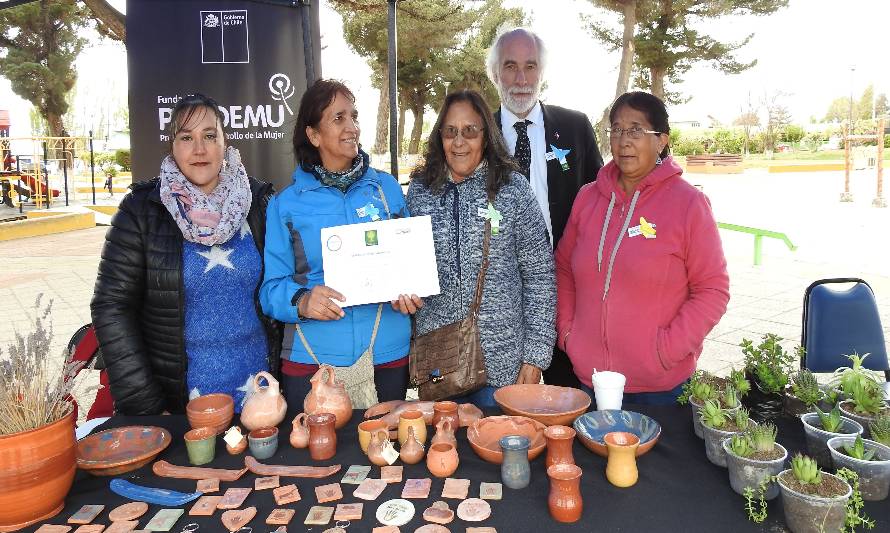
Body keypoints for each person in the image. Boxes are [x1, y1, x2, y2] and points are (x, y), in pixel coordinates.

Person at [91, 93, 281, 415]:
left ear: (225, 142)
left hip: (261, 399)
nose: (199, 149)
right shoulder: (141, 211)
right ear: (172, 146)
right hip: (179, 407)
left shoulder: (258, 203)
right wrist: (147, 405)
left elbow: (283, 288)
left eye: (209, 136)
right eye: (186, 138)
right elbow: (111, 307)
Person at [555, 91, 730, 405]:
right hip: (591, 381)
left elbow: (713, 290)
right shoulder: (588, 198)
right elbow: (564, 268)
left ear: (661, 140)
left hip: (659, 388)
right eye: (617, 129)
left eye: (636, 130)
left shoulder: (688, 204)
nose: (624, 140)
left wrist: (667, 349)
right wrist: (569, 334)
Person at [260, 79, 420, 408]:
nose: (352, 128)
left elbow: (410, 266)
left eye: (354, 116)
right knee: (313, 457)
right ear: (314, 135)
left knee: (384, 455)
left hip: (387, 353)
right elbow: (270, 290)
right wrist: (302, 302)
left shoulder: (386, 189)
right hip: (311, 357)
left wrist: (411, 291)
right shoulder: (285, 204)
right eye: (338, 118)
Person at [407, 89, 556, 408]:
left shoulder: (513, 190)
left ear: (487, 137)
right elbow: (406, 268)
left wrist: (535, 356)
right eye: (450, 131)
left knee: (496, 448)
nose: (459, 141)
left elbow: (540, 278)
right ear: (440, 137)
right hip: (438, 363)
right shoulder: (421, 191)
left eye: (470, 131)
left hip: (501, 368)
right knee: (442, 448)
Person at [486, 27, 604, 388]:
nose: (521, 78)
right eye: (510, 66)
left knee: (564, 398)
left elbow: (603, 197)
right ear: (495, 74)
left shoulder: (574, 127)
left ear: (542, 72)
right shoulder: (479, 134)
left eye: (530, 66)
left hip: (567, 288)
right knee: (504, 404)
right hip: (500, 295)